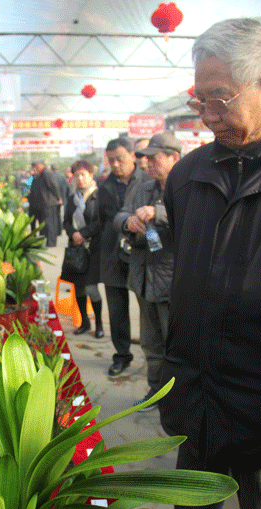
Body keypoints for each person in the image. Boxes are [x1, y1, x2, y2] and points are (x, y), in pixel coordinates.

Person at [158, 17, 261, 509]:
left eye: (219, 97)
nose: (206, 112)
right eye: (200, 97)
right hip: (195, 389)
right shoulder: (189, 174)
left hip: (258, 394)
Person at [113, 133, 181, 409]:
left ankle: (178, 398)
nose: (148, 163)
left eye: (154, 158)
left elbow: (190, 217)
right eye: (146, 158)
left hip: (172, 280)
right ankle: (156, 391)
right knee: (151, 343)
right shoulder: (144, 187)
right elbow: (121, 215)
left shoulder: (186, 187)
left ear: (174, 157)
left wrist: (158, 213)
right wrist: (128, 221)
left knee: (175, 344)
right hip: (143, 277)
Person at [98, 137, 151, 377]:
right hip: (112, 254)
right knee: (117, 309)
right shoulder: (105, 186)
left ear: (133, 155)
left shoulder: (148, 181)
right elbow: (99, 221)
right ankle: (122, 355)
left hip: (141, 253)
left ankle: (154, 359)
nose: (116, 165)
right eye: (111, 161)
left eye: (120, 159)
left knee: (147, 309)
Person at [63, 160, 104, 338]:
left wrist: (84, 234)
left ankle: (99, 324)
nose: (80, 179)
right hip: (76, 250)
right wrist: (73, 234)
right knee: (78, 288)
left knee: (92, 288)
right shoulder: (72, 199)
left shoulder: (99, 196)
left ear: (91, 175)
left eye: (83, 175)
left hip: (93, 248)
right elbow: (65, 221)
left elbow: (101, 221)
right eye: (77, 175)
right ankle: (84, 322)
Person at [27, 160, 62, 247]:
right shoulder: (41, 174)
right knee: (46, 223)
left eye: (36, 166)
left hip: (49, 202)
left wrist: (59, 197)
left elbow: (53, 186)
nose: (34, 168)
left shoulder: (47, 173)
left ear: (40, 165)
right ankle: (48, 241)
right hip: (44, 203)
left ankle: (51, 243)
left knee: (50, 224)